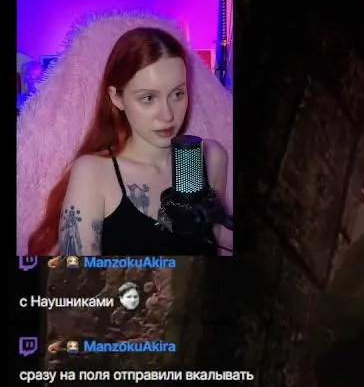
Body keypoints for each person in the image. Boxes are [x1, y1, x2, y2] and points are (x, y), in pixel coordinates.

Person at [25, 27, 231, 256]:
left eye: (177, 94)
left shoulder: (211, 157)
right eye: (148, 98)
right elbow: (76, 273)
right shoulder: (93, 173)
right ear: (117, 98)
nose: (167, 115)